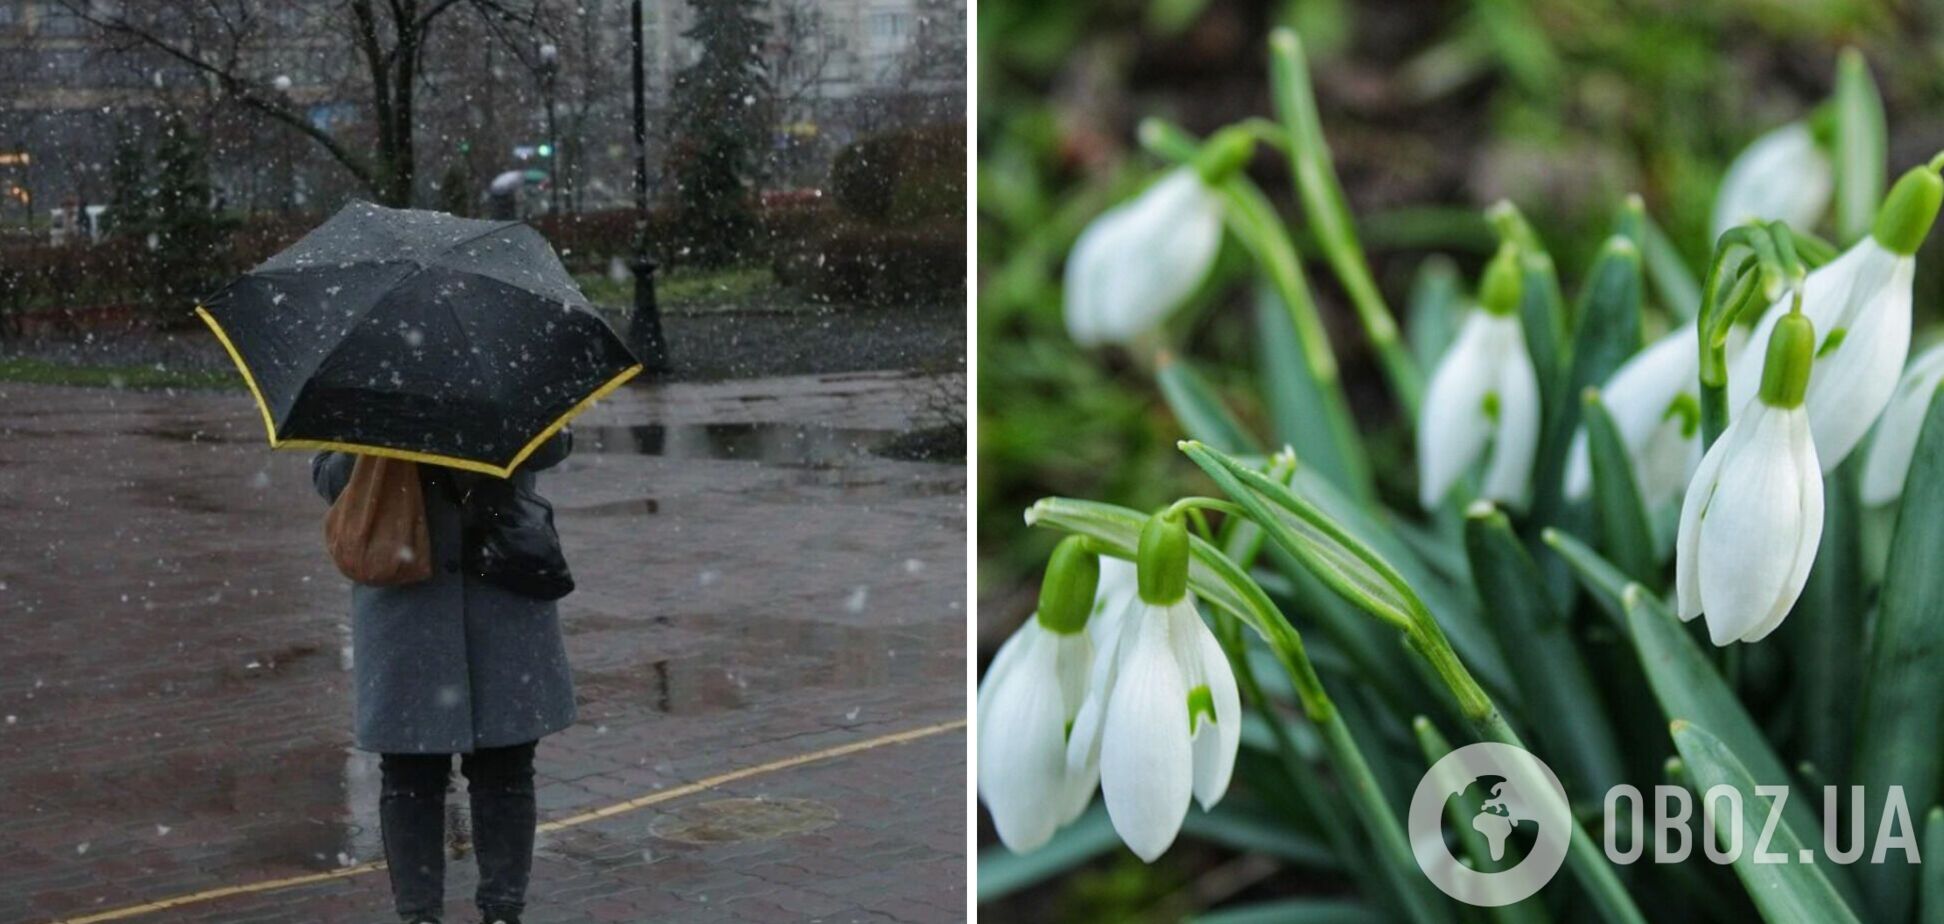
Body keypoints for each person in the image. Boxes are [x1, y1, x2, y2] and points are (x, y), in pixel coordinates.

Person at [312, 431, 575, 924]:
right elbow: (328, 478)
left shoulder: (503, 361)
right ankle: (419, 916)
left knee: (506, 766)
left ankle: (503, 912)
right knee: (411, 773)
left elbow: (556, 446)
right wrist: (377, 437)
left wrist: (488, 433)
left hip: (501, 588)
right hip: (407, 605)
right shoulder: (371, 379)